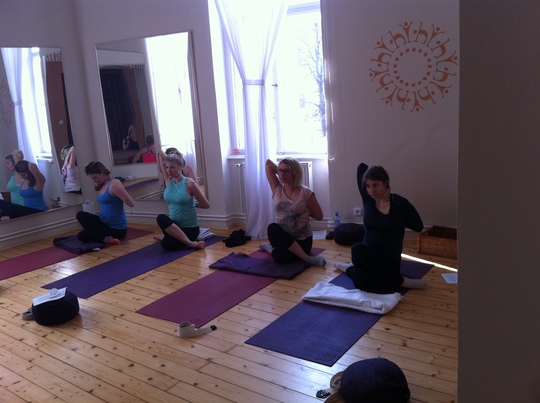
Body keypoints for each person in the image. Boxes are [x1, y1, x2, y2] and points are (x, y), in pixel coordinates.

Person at [334, 163, 427, 290]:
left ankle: (351, 269)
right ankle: (401, 281)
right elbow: (361, 167)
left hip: (389, 260)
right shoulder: (368, 200)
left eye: (375, 185)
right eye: (368, 186)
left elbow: (418, 226)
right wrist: (372, 171)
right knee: (357, 249)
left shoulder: (400, 204)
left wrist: (398, 220)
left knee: (367, 282)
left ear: (385, 183)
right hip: (367, 256)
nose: (371, 190)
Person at [259, 158, 326, 267]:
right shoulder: (277, 189)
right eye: (280, 170)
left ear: (295, 172)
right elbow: (268, 164)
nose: (282, 174)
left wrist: (305, 210)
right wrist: (283, 172)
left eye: (286, 171)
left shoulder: (306, 193)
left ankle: (270, 250)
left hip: (302, 241)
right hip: (282, 238)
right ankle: (306, 258)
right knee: (272, 228)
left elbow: (319, 216)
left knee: (280, 257)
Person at [154, 150, 210, 250]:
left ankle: (190, 243)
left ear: (180, 167)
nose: (169, 170)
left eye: (172, 167)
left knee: (166, 245)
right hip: (175, 227)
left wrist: (192, 204)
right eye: (167, 167)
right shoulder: (168, 180)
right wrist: (170, 158)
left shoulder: (189, 183)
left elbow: (206, 205)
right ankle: (186, 242)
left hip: (190, 229)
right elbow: (161, 155)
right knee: (161, 218)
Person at [75, 161, 135, 244]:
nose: (94, 181)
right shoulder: (103, 185)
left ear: (102, 173)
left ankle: (105, 238)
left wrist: (121, 193)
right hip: (103, 222)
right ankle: (104, 237)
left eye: (95, 177)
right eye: (93, 178)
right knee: (80, 217)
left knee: (84, 235)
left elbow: (131, 203)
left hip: (117, 229)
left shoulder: (115, 184)